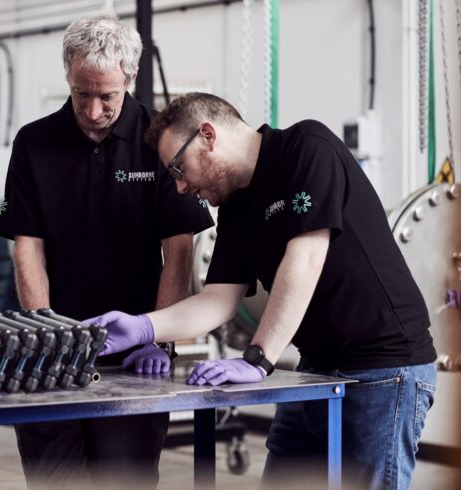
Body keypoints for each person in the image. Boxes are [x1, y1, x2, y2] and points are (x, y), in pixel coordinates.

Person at [87, 92, 437, 489]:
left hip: (385, 368)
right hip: (316, 368)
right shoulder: (236, 207)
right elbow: (218, 298)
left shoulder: (307, 148)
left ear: (207, 135)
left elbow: (305, 258)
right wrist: (143, 327)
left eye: (177, 168)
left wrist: (257, 358)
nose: (181, 188)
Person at [0, 16, 213, 489]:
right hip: (53, 356)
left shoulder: (162, 142)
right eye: (81, 93)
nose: (92, 110)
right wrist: (47, 333)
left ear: (131, 77)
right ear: (68, 77)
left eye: (106, 96)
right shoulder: (34, 142)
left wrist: (159, 337)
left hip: (136, 356)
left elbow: (178, 250)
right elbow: (28, 247)